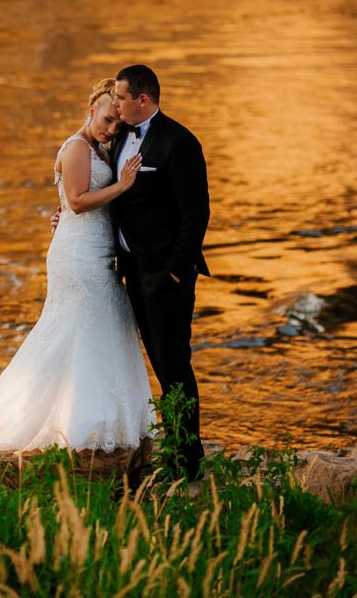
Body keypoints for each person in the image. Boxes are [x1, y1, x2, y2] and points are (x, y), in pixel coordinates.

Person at [0, 79, 155, 455]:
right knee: (78, 327)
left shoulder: (98, 150)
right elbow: (76, 202)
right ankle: (61, 423)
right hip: (77, 256)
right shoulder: (76, 147)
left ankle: (96, 420)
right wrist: (123, 186)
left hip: (93, 249)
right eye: (107, 120)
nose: (111, 130)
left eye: (118, 126)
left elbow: (73, 204)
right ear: (91, 109)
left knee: (101, 325)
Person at [54, 63, 213, 480]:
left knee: (174, 364)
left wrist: (176, 272)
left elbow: (195, 214)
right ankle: (170, 448)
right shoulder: (119, 134)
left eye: (122, 99)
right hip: (126, 270)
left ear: (144, 100)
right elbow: (91, 190)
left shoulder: (179, 143)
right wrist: (67, 216)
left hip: (165, 276)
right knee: (153, 362)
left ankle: (187, 461)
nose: (116, 107)